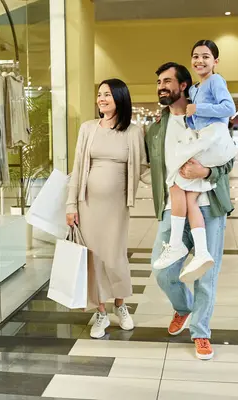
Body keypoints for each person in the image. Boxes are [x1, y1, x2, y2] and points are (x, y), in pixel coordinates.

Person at [145, 62, 234, 360]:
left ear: (184, 86)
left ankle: (201, 332)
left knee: (206, 274)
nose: (161, 86)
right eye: (159, 81)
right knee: (162, 269)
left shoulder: (208, 118)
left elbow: (228, 159)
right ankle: (183, 307)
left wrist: (206, 171)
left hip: (209, 205)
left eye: (167, 80)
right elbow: (153, 169)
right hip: (173, 207)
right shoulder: (157, 129)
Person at [66, 78, 148, 339]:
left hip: (117, 207)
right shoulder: (88, 128)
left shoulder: (133, 132)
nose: (101, 99)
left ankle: (121, 305)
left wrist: (173, 180)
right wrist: (71, 204)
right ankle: (101, 311)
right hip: (87, 204)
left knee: (115, 256)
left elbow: (144, 167)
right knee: (94, 258)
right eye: (100, 95)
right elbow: (78, 168)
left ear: (120, 99)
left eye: (108, 95)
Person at [153, 40, 236, 284]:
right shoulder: (159, 126)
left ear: (215, 61)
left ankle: (182, 247)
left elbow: (227, 108)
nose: (200, 60)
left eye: (206, 56)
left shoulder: (215, 82)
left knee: (177, 180)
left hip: (211, 158)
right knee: (183, 191)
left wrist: (207, 171)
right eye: (196, 56)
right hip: (200, 146)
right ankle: (196, 251)